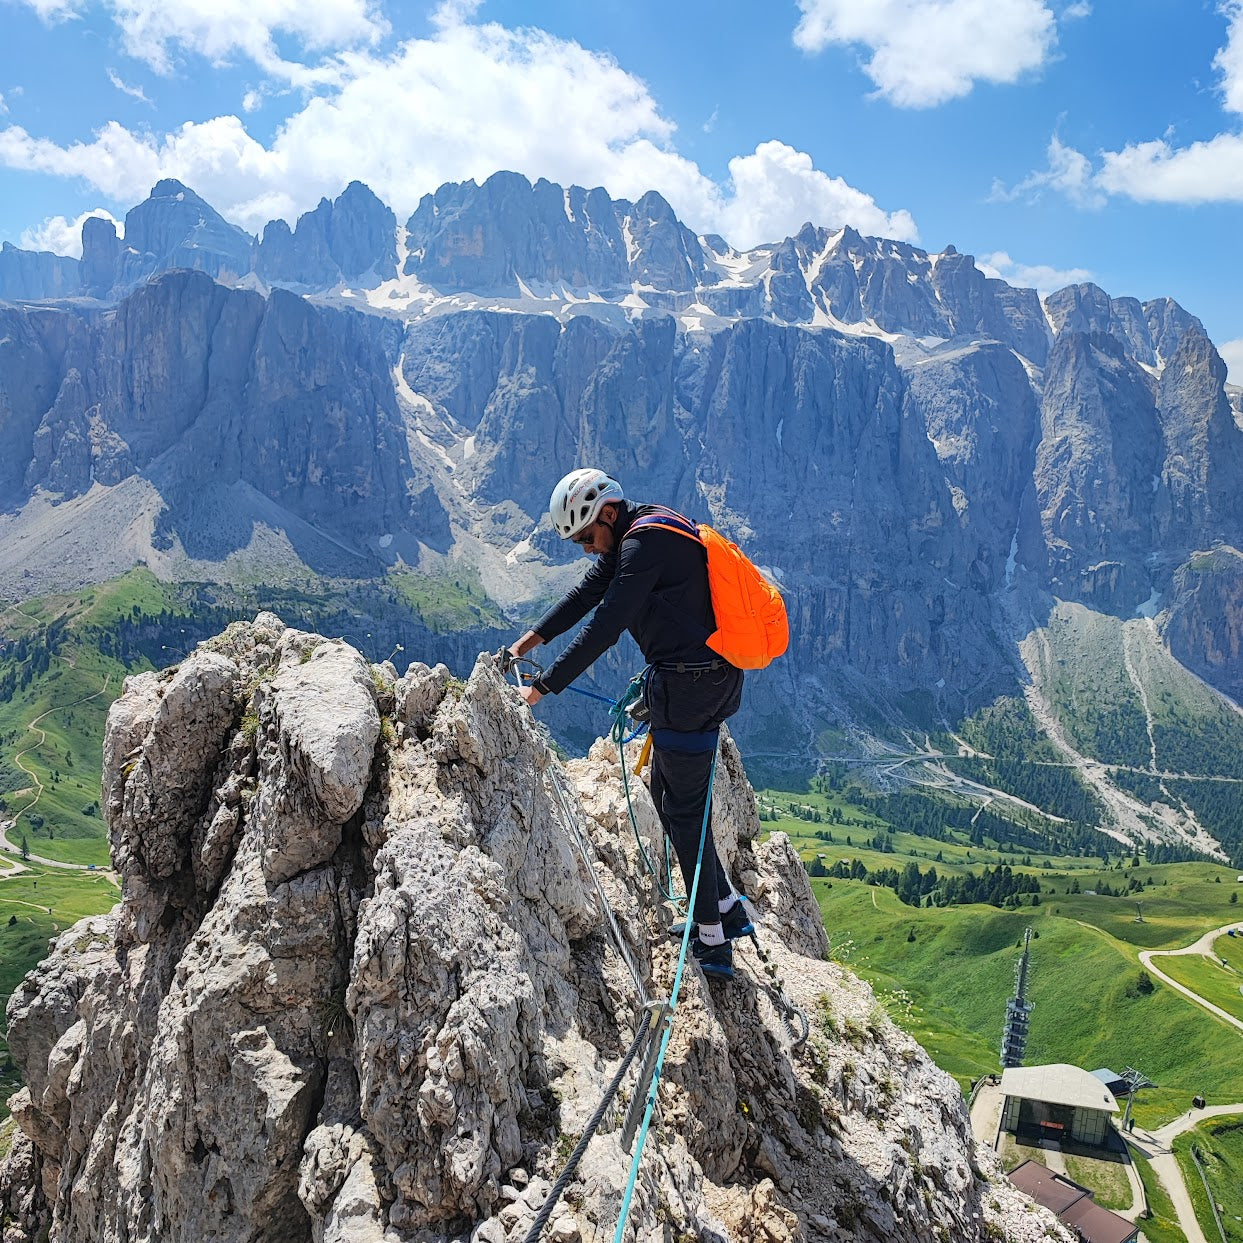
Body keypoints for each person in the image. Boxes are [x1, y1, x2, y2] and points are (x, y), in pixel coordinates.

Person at [508, 467, 753, 978]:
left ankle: (711, 940)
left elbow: (605, 626)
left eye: (588, 536)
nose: (587, 549)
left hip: (690, 688)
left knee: (681, 810)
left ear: (609, 514)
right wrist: (523, 646)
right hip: (701, 679)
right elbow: (583, 597)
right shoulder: (641, 533)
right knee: (668, 795)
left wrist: (540, 689)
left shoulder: (642, 545)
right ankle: (726, 905)